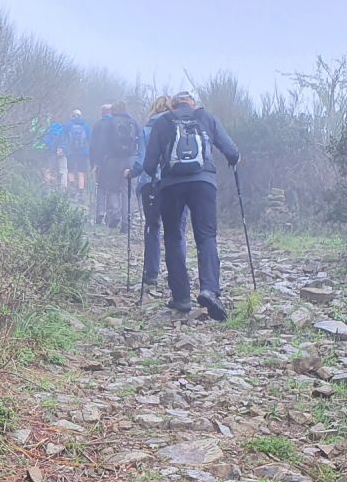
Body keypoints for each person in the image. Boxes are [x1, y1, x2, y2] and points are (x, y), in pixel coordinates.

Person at [140, 90, 240, 320]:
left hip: (171, 186)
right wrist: (234, 160)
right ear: (193, 103)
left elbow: (148, 164)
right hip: (204, 184)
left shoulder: (163, 122)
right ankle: (210, 290)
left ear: (173, 106)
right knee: (206, 236)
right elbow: (232, 152)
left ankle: (182, 297)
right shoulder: (206, 118)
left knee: (174, 237)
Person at [131, 94, 175, 293]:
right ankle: (176, 275)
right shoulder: (179, 126)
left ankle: (151, 273)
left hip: (150, 183)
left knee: (152, 227)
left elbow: (142, 161)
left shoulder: (147, 128)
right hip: (174, 184)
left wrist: (131, 173)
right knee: (176, 232)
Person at [93, 102, 140, 230]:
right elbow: (139, 140)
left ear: (113, 111)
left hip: (112, 160)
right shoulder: (133, 122)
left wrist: (98, 162)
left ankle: (115, 214)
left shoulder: (109, 123)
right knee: (127, 191)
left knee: (113, 189)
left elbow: (102, 144)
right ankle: (127, 221)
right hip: (130, 159)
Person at [57, 109, 90, 194]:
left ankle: (71, 187)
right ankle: (81, 191)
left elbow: (62, 138)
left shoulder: (68, 125)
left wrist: (61, 148)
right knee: (81, 171)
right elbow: (90, 139)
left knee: (70, 170)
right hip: (83, 153)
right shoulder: (85, 125)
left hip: (71, 152)